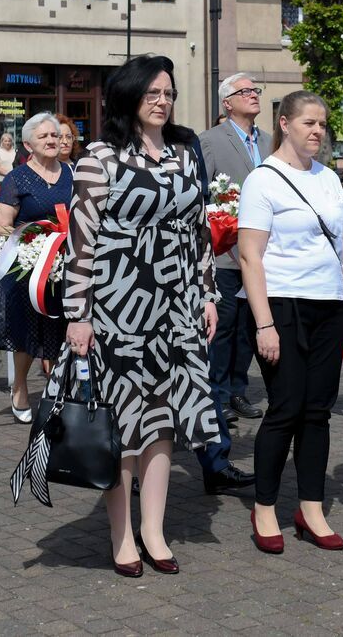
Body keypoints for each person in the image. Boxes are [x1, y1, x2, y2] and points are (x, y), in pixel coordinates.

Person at [61, 55, 220, 577]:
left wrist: (207, 293)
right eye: (153, 93)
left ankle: (154, 529)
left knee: (162, 420)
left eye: (169, 93)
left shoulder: (183, 153)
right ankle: (122, 535)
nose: (163, 101)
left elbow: (197, 232)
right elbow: (79, 242)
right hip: (119, 305)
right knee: (122, 422)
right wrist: (77, 314)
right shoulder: (99, 157)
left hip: (176, 306)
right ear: (128, 97)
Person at [238, 90, 343, 554]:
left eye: (323, 124)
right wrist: (264, 324)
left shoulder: (330, 179)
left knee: (318, 412)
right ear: (285, 123)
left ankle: (310, 507)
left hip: (328, 307)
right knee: (285, 409)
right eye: (309, 123)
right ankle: (266, 508)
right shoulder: (263, 180)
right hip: (282, 306)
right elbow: (250, 256)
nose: (318, 132)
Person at [0, 112, 72, 423]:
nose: (52, 140)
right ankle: (20, 385)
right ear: (27, 144)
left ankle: (63, 390)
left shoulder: (72, 174)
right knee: (26, 332)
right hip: (27, 269)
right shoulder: (16, 179)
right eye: (44, 136)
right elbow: (1, 226)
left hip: (65, 267)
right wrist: (35, 244)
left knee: (63, 329)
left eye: (55, 135)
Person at [200, 72, 269, 423]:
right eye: (245, 91)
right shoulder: (210, 140)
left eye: (256, 90)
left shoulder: (271, 141)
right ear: (227, 102)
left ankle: (238, 390)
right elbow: (201, 194)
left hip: (263, 253)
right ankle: (217, 397)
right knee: (223, 326)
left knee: (248, 326)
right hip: (225, 252)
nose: (254, 95)